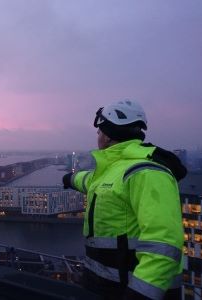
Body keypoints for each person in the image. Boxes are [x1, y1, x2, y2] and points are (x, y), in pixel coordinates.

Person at [62, 100, 186, 300]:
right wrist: (69, 179)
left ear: (108, 135)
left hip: (129, 290)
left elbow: (164, 244)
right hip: (102, 285)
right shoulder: (114, 169)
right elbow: (91, 182)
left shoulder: (147, 173)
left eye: (99, 132)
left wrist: (139, 295)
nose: (97, 136)